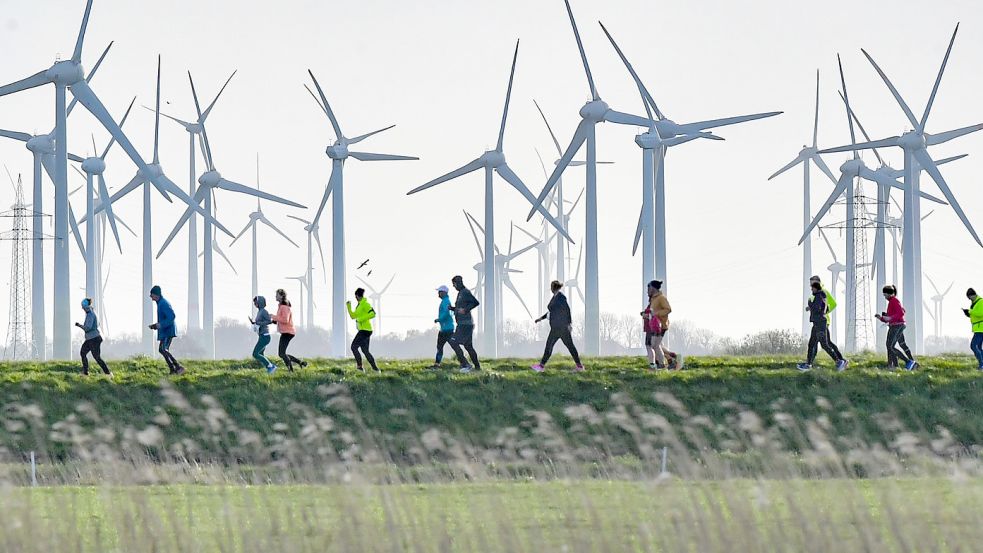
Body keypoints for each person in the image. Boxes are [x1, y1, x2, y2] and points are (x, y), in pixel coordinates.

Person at [532, 281, 585, 373]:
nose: (551, 288)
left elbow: (567, 310)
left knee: (569, 346)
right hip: (555, 328)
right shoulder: (555, 298)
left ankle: (579, 366)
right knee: (549, 346)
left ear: (554, 287)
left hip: (562, 328)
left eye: (551, 286)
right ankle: (541, 366)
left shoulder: (561, 298)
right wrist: (541, 318)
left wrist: (569, 324)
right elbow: (551, 312)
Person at [798, 281, 848, 371]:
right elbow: (826, 308)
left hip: (820, 324)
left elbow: (817, 308)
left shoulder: (818, 295)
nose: (811, 290)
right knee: (811, 344)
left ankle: (839, 361)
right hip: (818, 323)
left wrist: (810, 304)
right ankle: (808, 364)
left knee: (824, 344)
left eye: (812, 288)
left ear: (816, 288)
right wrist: (813, 308)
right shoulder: (822, 296)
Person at [875, 285, 918, 371]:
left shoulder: (894, 301)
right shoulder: (891, 302)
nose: (885, 297)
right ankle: (894, 366)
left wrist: (890, 318)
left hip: (897, 326)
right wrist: (881, 318)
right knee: (895, 345)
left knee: (890, 346)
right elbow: (891, 317)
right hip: (895, 325)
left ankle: (908, 362)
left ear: (890, 294)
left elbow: (901, 313)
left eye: (885, 295)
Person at [149, 285, 185, 375]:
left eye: (152, 295)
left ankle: (178, 367)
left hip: (168, 330)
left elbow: (172, 316)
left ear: (156, 295)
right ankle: (173, 370)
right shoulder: (160, 303)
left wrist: (160, 325)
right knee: (162, 350)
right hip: (165, 331)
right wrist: (156, 326)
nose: (151, 298)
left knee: (163, 349)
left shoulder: (163, 303)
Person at [648, 280, 683, 370]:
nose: (647, 288)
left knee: (654, 345)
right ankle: (671, 359)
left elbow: (668, 309)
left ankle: (666, 362)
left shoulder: (661, 298)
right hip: (654, 325)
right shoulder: (653, 298)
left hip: (661, 325)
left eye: (649, 286)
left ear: (653, 288)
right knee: (657, 345)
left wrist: (656, 314)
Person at [431, 285, 467, 370]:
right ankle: (437, 364)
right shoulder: (445, 301)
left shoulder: (446, 301)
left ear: (444, 292)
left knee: (454, 346)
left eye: (439, 292)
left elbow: (446, 313)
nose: (438, 294)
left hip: (448, 329)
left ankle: (464, 363)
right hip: (444, 329)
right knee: (440, 346)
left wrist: (439, 319)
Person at [271, 288, 307, 371]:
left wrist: (273, 316)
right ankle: (301, 363)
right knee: (281, 354)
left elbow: (285, 320)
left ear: (281, 296)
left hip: (288, 332)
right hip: (286, 332)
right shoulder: (281, 306)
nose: (275, 296)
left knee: (281, 353)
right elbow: (281, 319)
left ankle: (291, 370)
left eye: (277, 295)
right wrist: (273, 321)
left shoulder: (284, 307)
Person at [451, 275, 481, 373]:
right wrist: (452, 308)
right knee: (468, 346)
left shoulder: (465, 292)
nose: (454, 286)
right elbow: (460, 308)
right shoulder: (460, 293)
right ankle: (477, 368)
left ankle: (465, 364)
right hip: (463, 324)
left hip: (465, 324)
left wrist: (466, 310)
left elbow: (476, 302)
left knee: (453, 342)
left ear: (458, 283)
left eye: (454, 284)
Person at [74, 298, 111, 377]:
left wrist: (79, 325)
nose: (82, 308)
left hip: (94, 339)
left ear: (86, 306)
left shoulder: (90, 314)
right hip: (91, 338)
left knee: (97, 357)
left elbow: (88, 328)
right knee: (83, 353)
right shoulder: (93, 313)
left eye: (83, 307)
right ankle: (85, 373)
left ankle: (108, 374)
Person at [347, 287, 380, 372]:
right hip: (365, 330)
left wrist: (361, 319)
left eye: (355, 296)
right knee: (365, 351)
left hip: (365, 331)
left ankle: (360, 367)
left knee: (353, 347)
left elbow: (373, 313)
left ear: (357, 296)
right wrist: (349, 307)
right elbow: (353, 316)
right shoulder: (359, 306)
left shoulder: (365, 304)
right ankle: (376, 369)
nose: (355, 298)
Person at [249, 296, 277, 374]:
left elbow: (269, 321)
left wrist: (258, 323)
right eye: (254, 303)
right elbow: (260, 322)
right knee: (260, 354)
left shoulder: (264, 311)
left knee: (255, 354)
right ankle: (269, 369)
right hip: (262, 335)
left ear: (260, 302)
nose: (255, 304)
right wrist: (254, 323)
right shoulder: (259, 311)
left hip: (265, 336)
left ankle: (271, 366)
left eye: (256, 302)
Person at [642, 298, 665, 370]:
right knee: (657, 346)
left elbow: (648, 314)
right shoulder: (659, 306)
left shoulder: (652, 306)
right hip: (658, 328)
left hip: (650, 329)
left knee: (649, 347)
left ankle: (652, 364)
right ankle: (662, 364)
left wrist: (643, 314)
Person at [964, 288, 983, 370]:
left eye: (969, 297)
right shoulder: (974, 303)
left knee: (973, 346)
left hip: (981, 328)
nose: (969, 299)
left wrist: (970, 311)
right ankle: (981, 364)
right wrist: (968, 314)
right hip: (977, 328)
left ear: (973, 295)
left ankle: (982, 364)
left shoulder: (981, 302)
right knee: (978, 347)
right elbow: (975, 315)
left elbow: (981, 313)